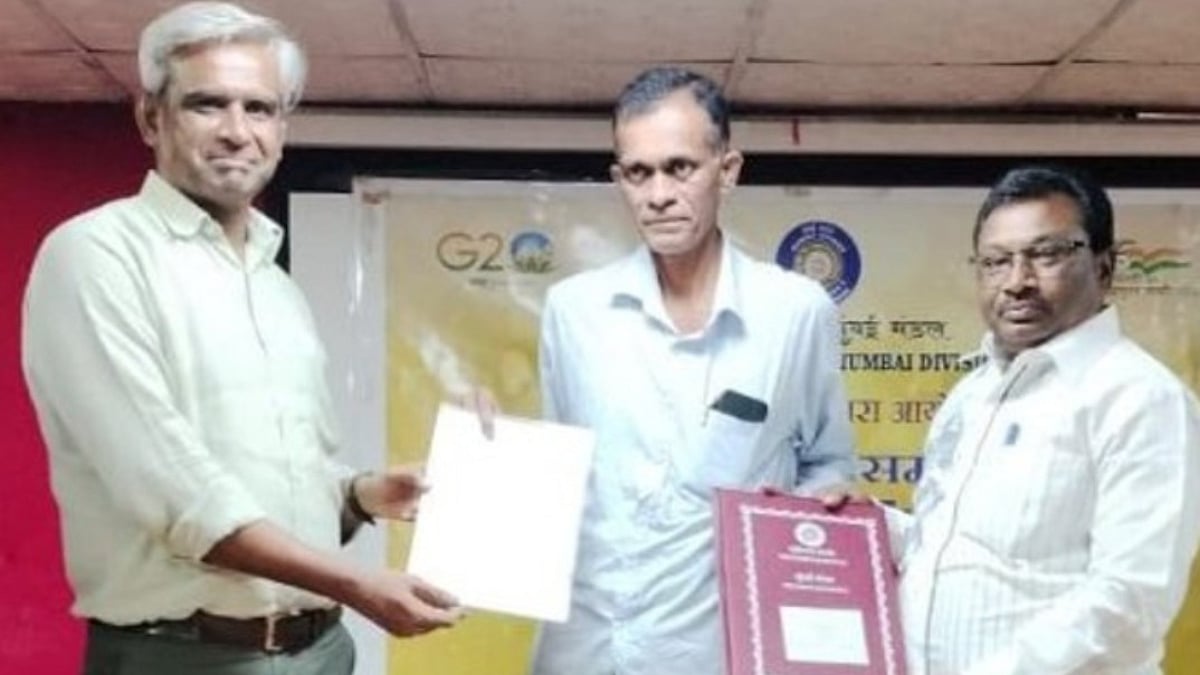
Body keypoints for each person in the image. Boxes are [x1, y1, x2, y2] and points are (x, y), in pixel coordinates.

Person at [21, 3, 464, 673]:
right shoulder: (95, 256)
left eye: (259, 108)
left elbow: (278, 474)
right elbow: (181, 498)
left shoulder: (272, 282)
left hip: (320, 650)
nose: (236, 131)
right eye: (207, 104)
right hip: (184, 657)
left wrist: (358, 495)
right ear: (151, 117)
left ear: (282, 128)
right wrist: (356, 583)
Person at [532, 67, 856, 675]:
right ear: (618, 179)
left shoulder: (795, 313)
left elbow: (830, 459)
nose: (657, 194)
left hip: (724, 650)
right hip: (588, 648)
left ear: (727, 171)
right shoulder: (574, 311)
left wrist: (814, 507)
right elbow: (558, 475)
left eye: (680, 168)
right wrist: (486, 454)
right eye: (638, 173)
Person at [892, 165, 1200, 674]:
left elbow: (1128, 604)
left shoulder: (1140, 398)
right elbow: (946, 545)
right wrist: (852, 524)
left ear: (1104, 267)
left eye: (1046, 255)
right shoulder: (976, 393)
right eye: (995, 261)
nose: (1017, 282)